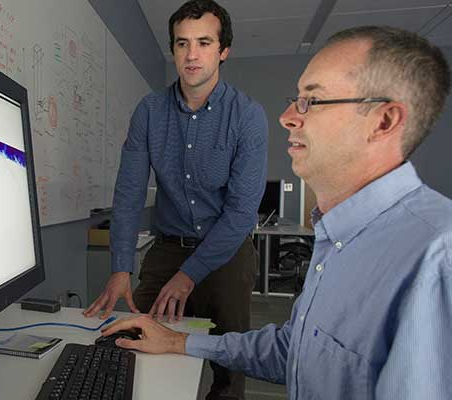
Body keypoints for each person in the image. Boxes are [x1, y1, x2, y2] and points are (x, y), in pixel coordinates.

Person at [100, 25, 452, 400]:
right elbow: (296, 351)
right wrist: (179, 342)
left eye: (311, 101)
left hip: (226, 249)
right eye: (295, 98)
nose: (286, 117)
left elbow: (239, 213)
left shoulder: (438, 256)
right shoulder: (337, 238)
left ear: (383, 122)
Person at [83, 1, 269, 398]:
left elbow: (240, 214)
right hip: (168, 249)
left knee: (228, 364)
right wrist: (120, 268)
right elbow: (129, 194)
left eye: (204, 42)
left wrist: (189, 276)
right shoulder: (149, 112)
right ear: (173, 50)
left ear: (223, 51)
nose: (192, 54)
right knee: (135, 341)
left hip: (227, 252)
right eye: (182, 44)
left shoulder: (247, 117)